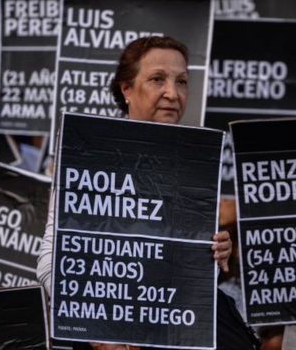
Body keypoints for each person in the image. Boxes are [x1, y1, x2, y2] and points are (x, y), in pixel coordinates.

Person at [36, 36, 249, 349]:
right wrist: (100, 332)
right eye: (157, 79)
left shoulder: (195, 160)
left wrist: (217, 256)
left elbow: (190, 279)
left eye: (182, 81)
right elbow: (49, 263)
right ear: (126, 89)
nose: (172, 93)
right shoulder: (90, 152)